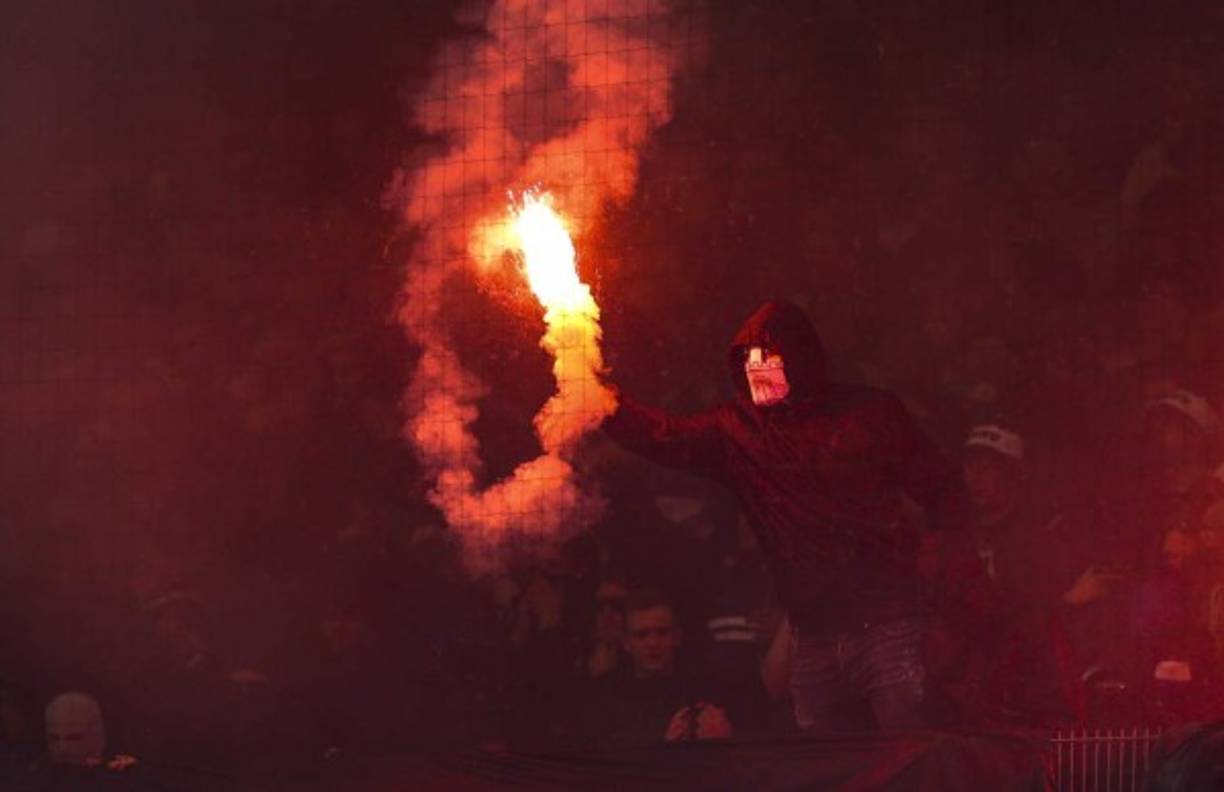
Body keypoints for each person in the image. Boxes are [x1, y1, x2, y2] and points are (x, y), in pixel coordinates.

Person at [603, 299, 976, 732]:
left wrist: (943, 570)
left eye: (769, 360)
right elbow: (664, 436)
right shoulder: (739, 429)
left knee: (908, 755)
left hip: (890, 628)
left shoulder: (870, 414)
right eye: (749, 361)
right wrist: (600, 400)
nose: (756, 371)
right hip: (813, 637)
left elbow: (943, 488)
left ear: (799, 361)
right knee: (827, 767)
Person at [576, 588, 731, 749]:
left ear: (676, 637)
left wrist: (719, 740)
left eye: (662, 633)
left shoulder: (702, 692)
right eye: (642, 635)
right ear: (626, 643)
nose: (653, 643)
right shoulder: (604, 697)